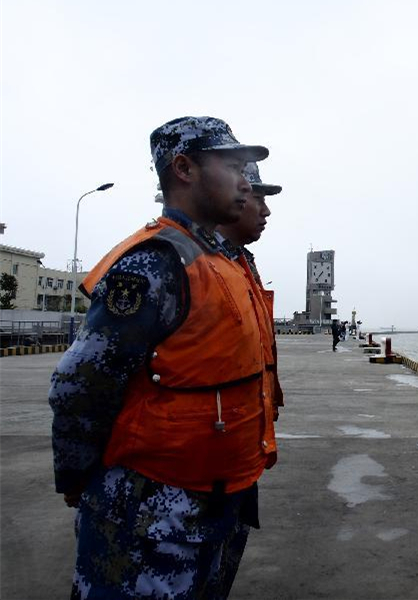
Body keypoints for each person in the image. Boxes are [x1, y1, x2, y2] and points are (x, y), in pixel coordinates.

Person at [49, 116, 277, 599]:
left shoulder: (220, 256)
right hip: (152, 509)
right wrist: (78, 477)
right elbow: (79, 384)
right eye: (232, 165)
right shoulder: (157, 261)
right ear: (184, 168)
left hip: (215, 497)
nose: (245, 180)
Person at [217, 162, 284, 420]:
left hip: (241, 438)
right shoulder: (183, 262)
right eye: (257, 198)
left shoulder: (241, 261)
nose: (266, 211)